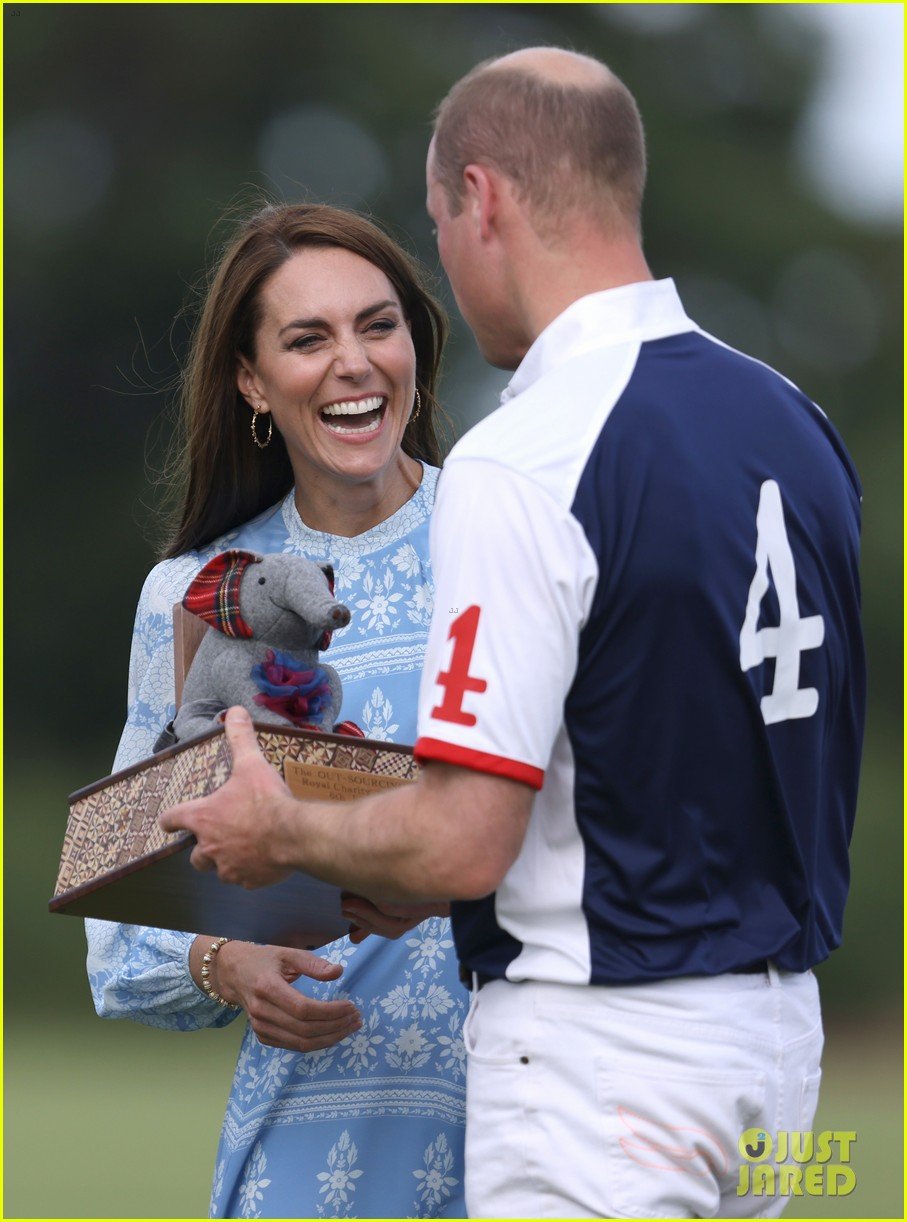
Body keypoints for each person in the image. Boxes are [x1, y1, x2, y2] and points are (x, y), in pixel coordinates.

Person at [161, 49, 866, 1219]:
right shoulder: (795, 419)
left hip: (604, 1063)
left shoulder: (527, 450)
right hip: (777, 1060)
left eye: (435, 223)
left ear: (479, 199)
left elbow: (464, 841)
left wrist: (279, 825)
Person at [86, 203, 469, 1218]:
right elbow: (116, 911)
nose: (352, 362)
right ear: (253, 382)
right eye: (308, 338)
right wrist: (224, 958)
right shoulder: (192, 594)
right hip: (310, 1154)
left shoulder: (517, 537)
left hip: (536, 1129)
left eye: (376, 325)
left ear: (416, 351)